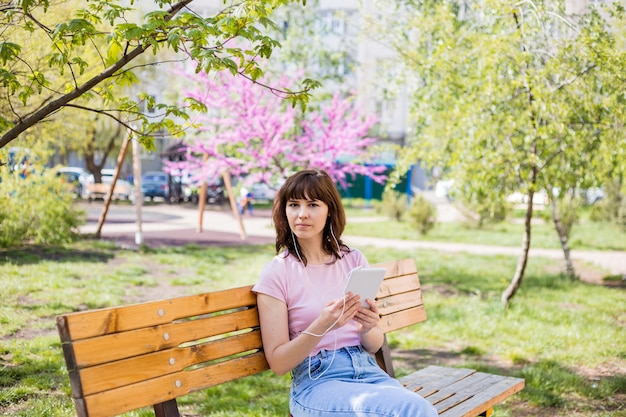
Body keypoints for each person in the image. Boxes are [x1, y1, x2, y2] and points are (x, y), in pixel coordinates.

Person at [253, 169, 438, 417]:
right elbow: (278, 363)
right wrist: (323, 324)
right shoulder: (277, 272)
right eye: (294, 204)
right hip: (317, 382)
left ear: (330, 209)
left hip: (368, 372)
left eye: (313, 204)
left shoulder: (352, 259)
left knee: (416, 409)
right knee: (413, 409)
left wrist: (368, 327)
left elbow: (373, 345)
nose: (302, 214)